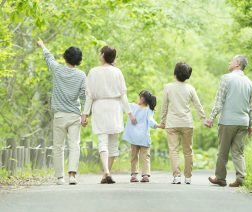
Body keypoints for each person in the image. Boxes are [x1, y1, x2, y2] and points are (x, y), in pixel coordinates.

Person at [82, 46, 136, 184]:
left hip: (99, 107)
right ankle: (107, 172)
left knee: (102, 141)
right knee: (113, 144)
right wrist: (129, 113)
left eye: (100, 52)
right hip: (115, 107)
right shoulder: (117, 72)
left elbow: (89, 96)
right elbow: (123, 95)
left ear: (103, 55)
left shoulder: (93, 72)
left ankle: (106, 172)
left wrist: (85, 114)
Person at [37, 39, 86, 185]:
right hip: (74, 115)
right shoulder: (81, 75)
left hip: (59, 115)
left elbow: (49, 58)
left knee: (58, 146)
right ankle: (72, 175)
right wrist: (86, 114)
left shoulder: (57, 70)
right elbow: (84, 96)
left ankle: (60, 177)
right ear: (78, 61)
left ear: (65, 57)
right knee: (74, 145)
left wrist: (43, 45)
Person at [206, 55, 252, 187]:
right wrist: (250, 124)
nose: (229, 62)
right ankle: (241, 178)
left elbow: (219, 101)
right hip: (243, 122)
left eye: (231, 60)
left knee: (223, 151)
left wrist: (211, 118)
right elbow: (251, 107)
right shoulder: (249, 82)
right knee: (238, 152)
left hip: (228, 121)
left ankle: (220, 178)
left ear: (237, 63)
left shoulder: (226, 78)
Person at [160, 62, 207, 185]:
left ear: (175, 73)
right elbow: (198, 105)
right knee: (188, 151)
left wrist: (162, 121)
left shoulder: (168, 87)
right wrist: (203, 119)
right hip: (187, 123)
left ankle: (176, 177)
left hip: (172, 123)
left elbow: (164, 106)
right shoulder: (190, 88)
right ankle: (188, 177)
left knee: (173, 150)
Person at [123, 90, 164, 183]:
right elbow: (150, 122)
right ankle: (145, 175)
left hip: (133, 137)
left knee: (134, 156)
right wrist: (158, 125)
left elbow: (123, 105)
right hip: (143, 137)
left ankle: (133, 175)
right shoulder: (149, 110)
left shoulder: (132, 106)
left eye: (139, 97)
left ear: (142, 98)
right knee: (145, 156)